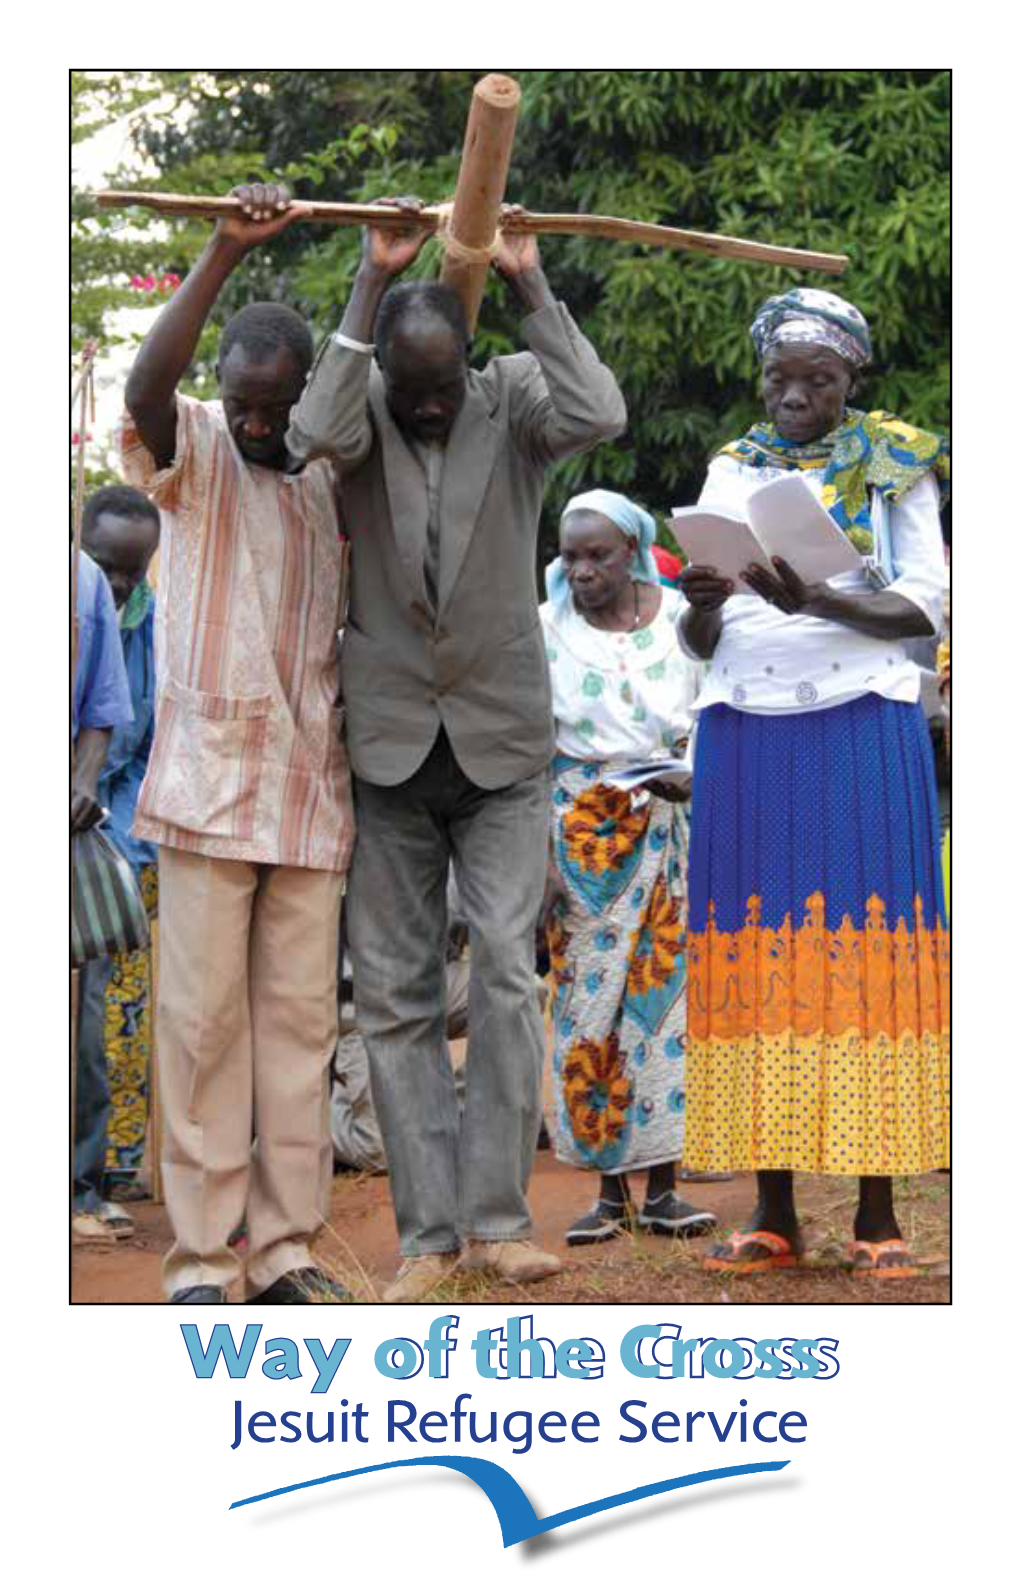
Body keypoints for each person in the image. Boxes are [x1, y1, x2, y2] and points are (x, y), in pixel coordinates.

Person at [286, 198, 626, 1301]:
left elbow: (603, 410)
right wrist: (368, 288)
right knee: (393, 1000)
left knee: (510, 981)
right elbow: (309, 436)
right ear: (388, 368)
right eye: (413, 388)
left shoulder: (514, 397)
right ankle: (428, 1241)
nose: (431, 406)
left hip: (504, 749)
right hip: (388, 750)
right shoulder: (365, 413)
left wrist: (529, 283)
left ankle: (496, 1220)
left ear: (471, 362)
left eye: (444, 385)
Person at [678, 287, 950, 1276]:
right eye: (780, 379)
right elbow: (696, 635)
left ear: (852, 380)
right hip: (745, 725)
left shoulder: (897, 462)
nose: (795, 396)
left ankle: (878, 1217)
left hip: (861, 723)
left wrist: (826, 598)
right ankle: (772, 1212)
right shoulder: (729, 467)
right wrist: (702, 601)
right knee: (763, 962)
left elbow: (926, 610)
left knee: (866, 962)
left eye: (818, 379)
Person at [120, 182, 354, 1305]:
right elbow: (144, 384)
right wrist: (218, 253)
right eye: (244, 400)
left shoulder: (323, 475)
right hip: (208, 791)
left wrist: (387, 269)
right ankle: (203, 1258)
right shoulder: (194, 450)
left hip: (311, 797)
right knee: (204, 1027)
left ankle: (286, 1249)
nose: (259, 421)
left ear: (303, 393)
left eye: (276, 404)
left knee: (300, 1030)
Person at [538, 489, 717, 1246]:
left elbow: (717, 704)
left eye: (598, 555)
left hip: (672, 818)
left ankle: (668, 1187)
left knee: (667, 1000)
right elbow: (530, 739)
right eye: (572, 555)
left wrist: (693, 772)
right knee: (590, 1005)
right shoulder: (544, 630)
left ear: (633, 552)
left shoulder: (681, 619)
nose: (582, 570)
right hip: (582, 831)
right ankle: (609, 1193)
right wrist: (536, 859)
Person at [76, 487, 162, 1230]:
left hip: (108, 838)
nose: (119, 588)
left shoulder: (153, 624)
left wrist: (119, 843)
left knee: (103, 1018)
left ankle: (98, 1175)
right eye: (107, 567)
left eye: (133, 573)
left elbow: (141, 743)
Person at [72, 546, 134, 1242]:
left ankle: (79, 1189)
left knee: (80, 1020)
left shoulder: (81, 579)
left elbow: (103, 708)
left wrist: (84, 778)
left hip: (62, 825)